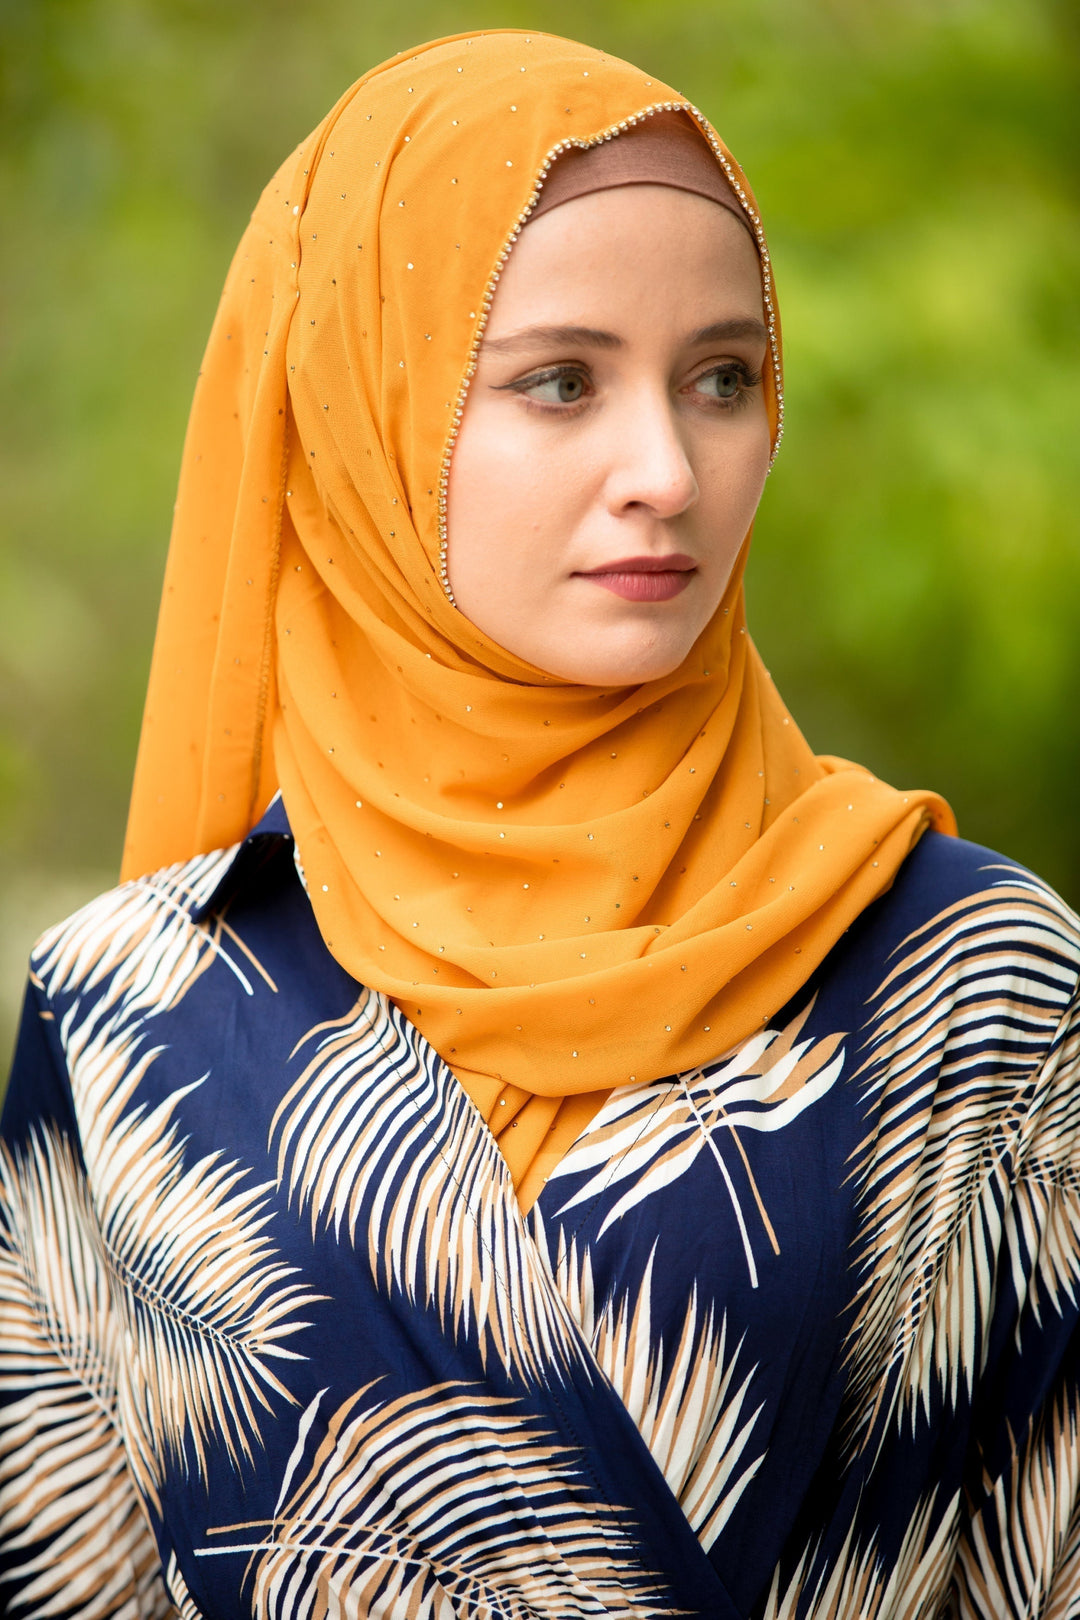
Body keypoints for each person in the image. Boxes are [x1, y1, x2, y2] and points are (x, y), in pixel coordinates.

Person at [1, 28, 1078, 1620]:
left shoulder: (973, 971)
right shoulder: (130, 1009)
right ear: (366, 412)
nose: (666, 468)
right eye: (559, 382)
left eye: (723, 379)